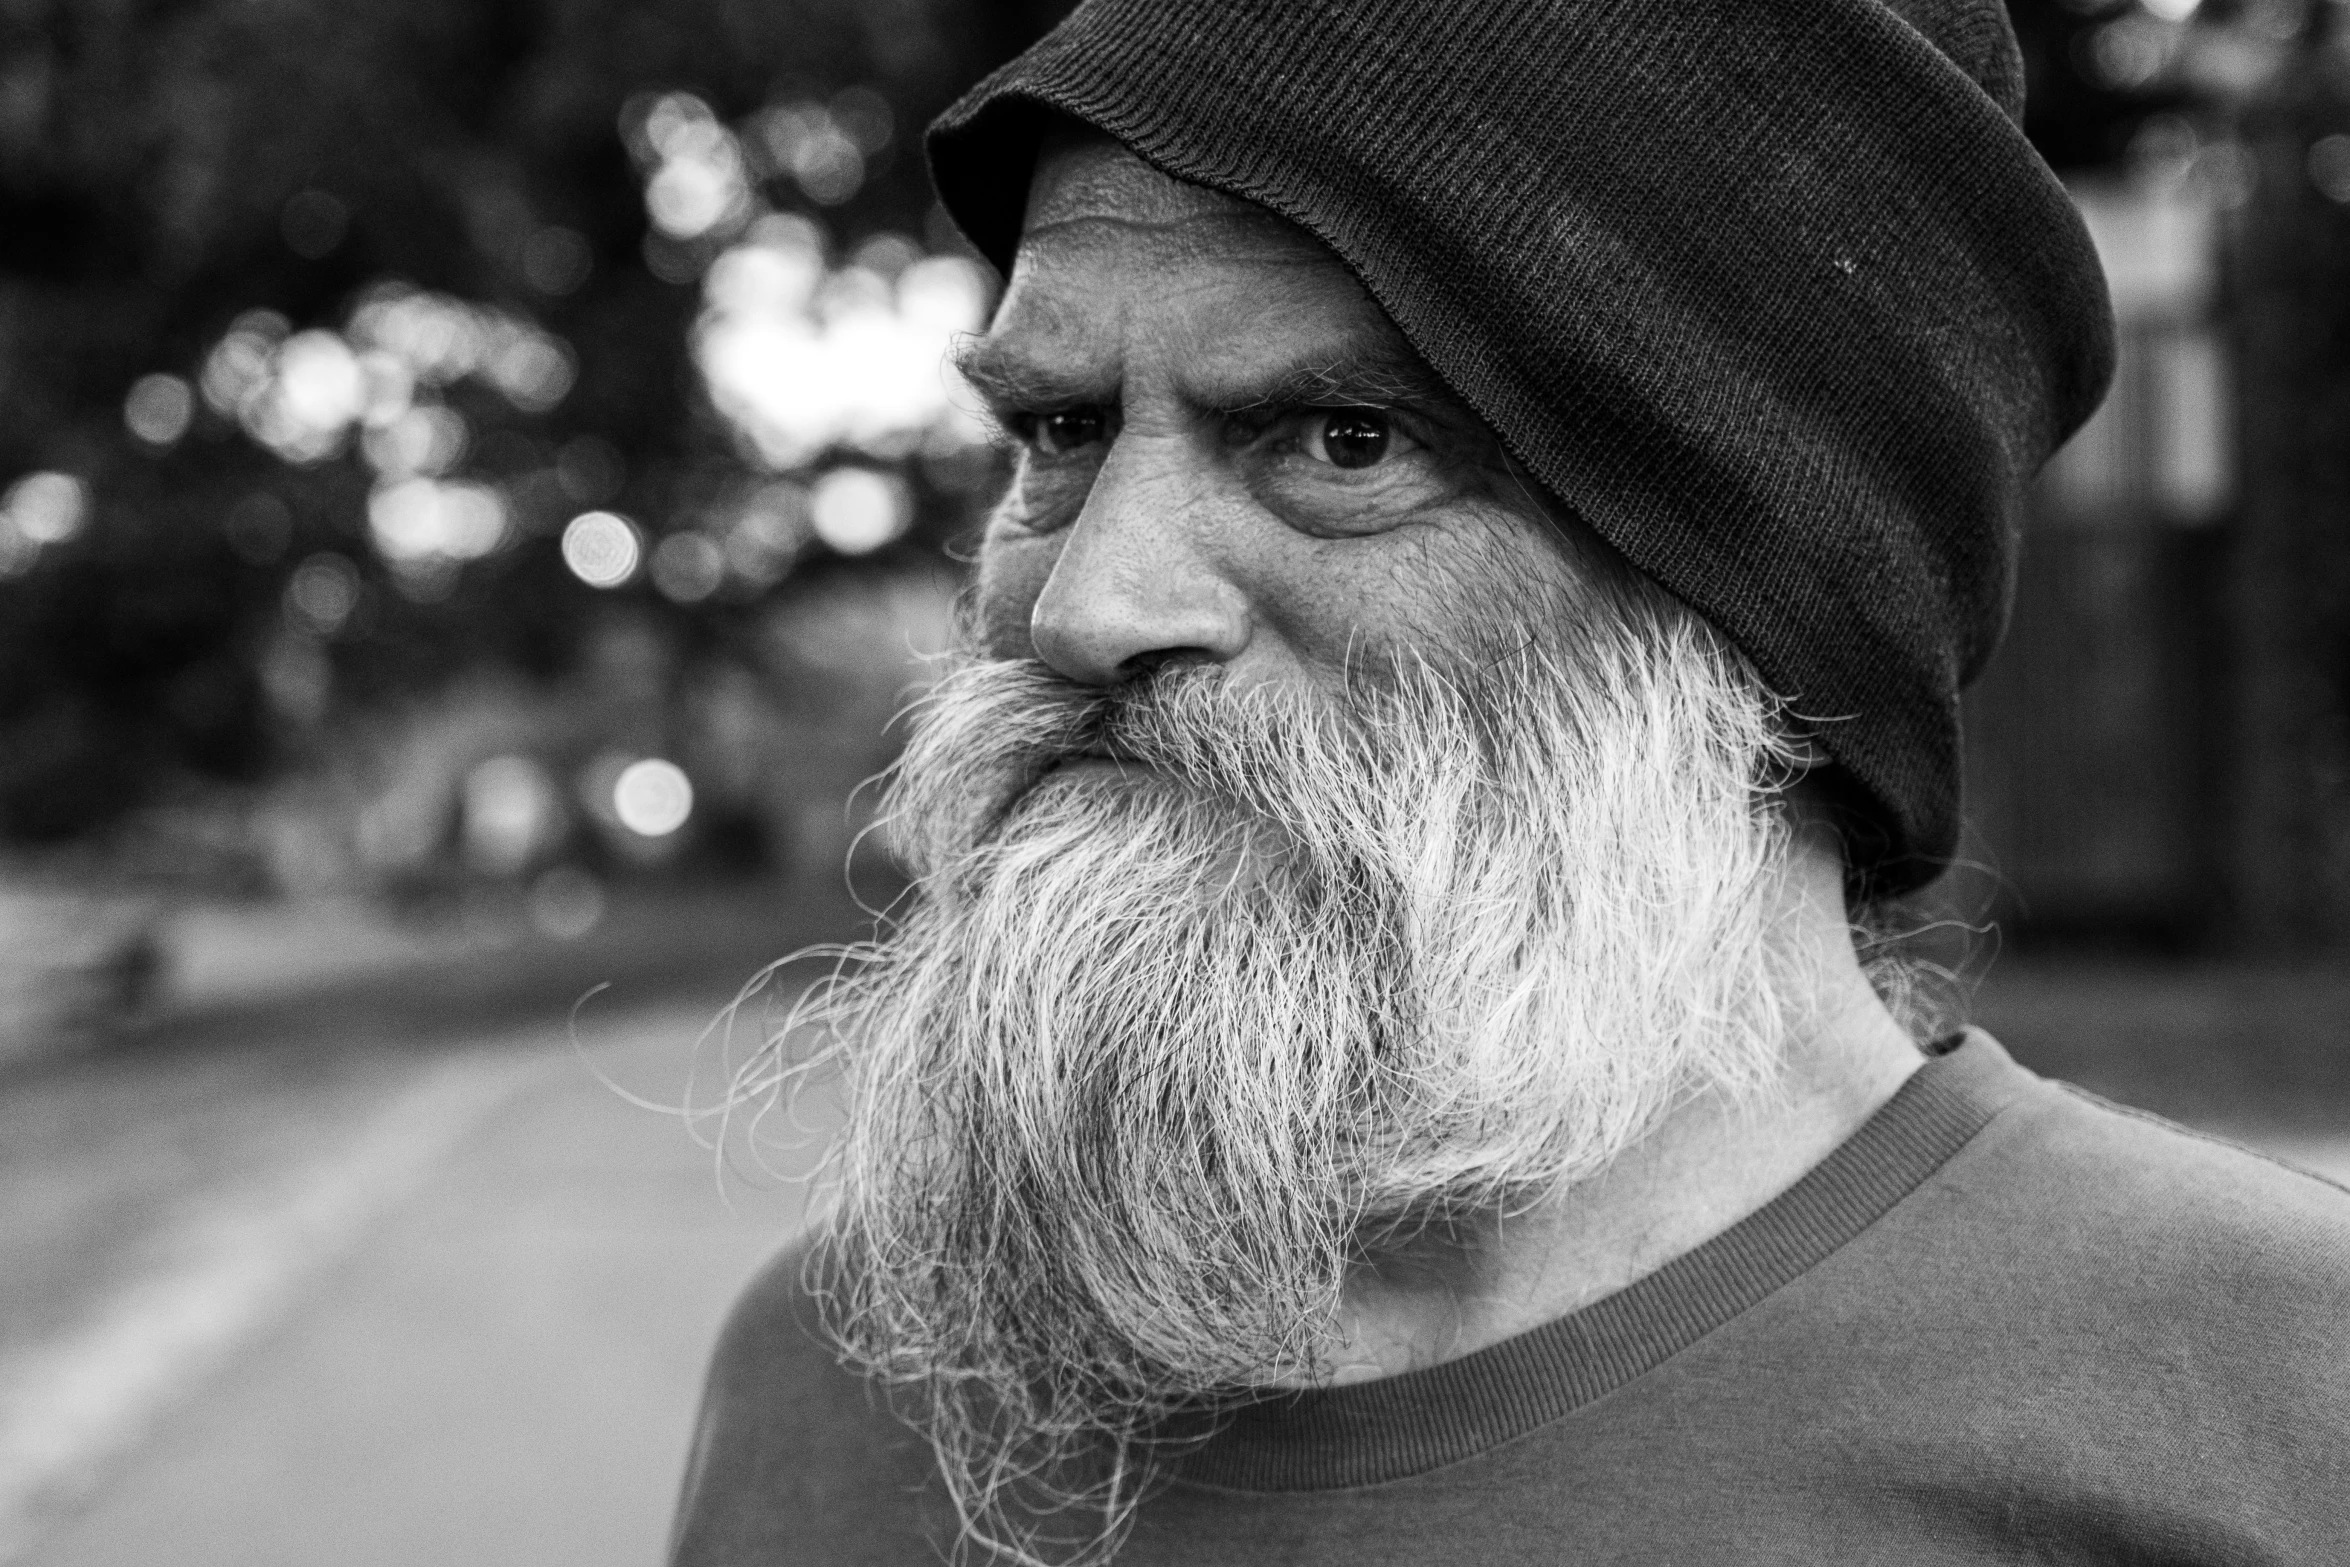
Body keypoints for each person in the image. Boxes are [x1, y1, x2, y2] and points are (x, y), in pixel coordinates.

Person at [670, 1, 2350, 1562]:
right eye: (1057, 431)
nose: (1090, 603)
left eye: (1340, 440)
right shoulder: (840, 1387)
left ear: (1758, 603)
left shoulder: (2275, 1418)